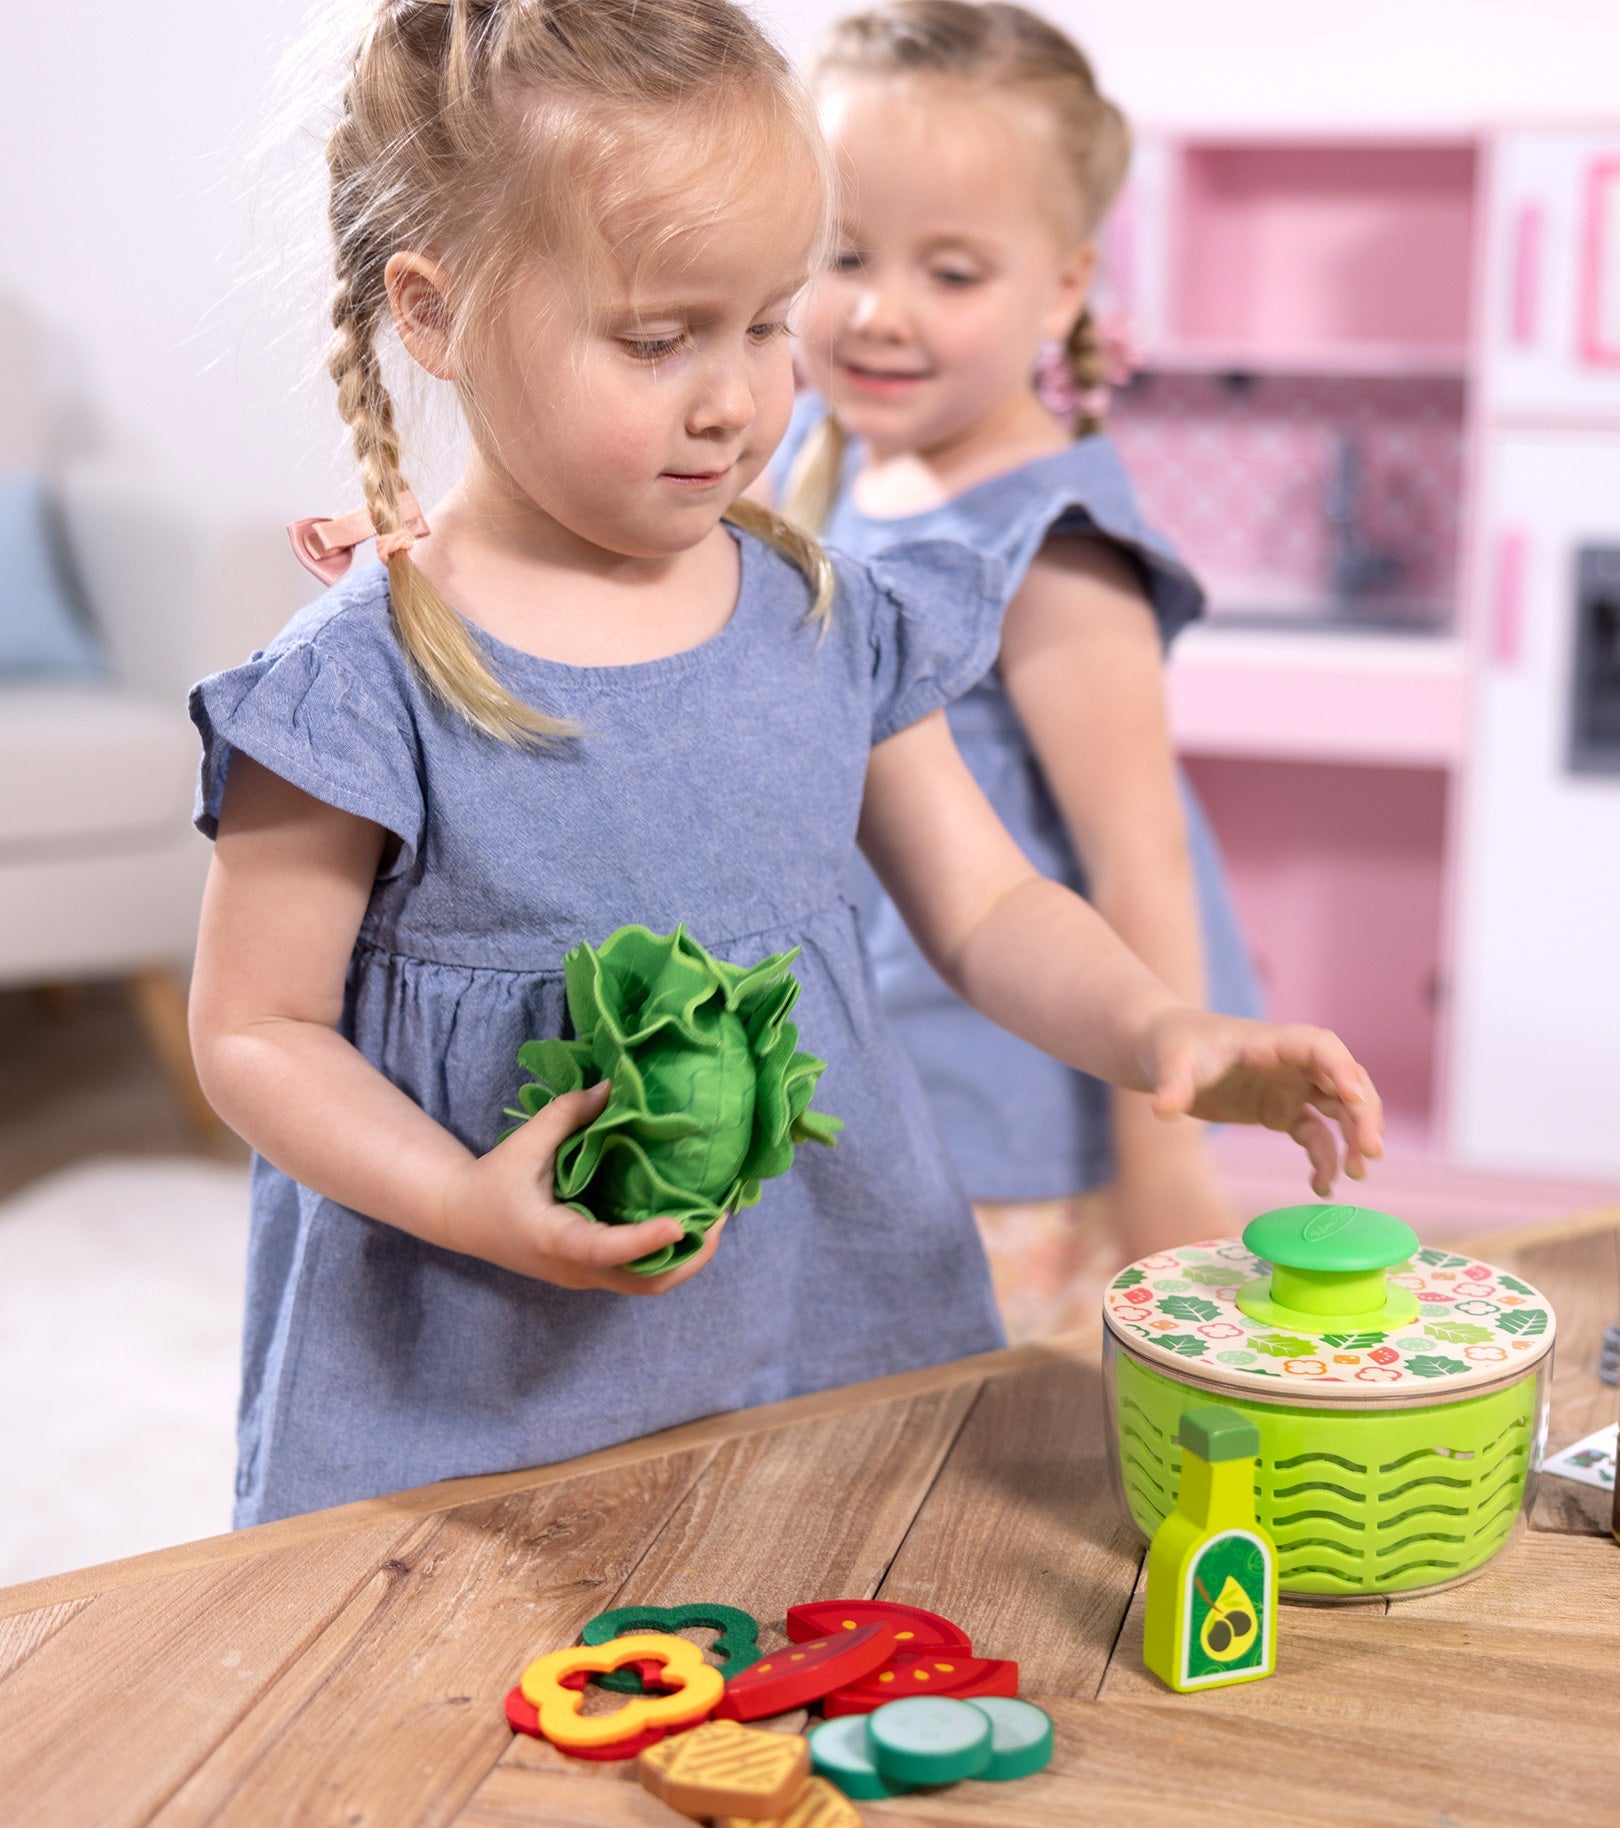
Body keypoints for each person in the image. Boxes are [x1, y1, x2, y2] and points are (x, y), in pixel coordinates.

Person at [187, 0, 1381, 1525]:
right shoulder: (357, 686)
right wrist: (456, 1199)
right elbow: (256, 1034)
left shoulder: (830, 612)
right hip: (469, 1393)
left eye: (765, 322)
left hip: (814, 1338)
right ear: (433, 314)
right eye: (657, 337)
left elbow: (989, 908)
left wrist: (1162, 1029)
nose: (735, 398)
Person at [777, 1, 1261, 1342]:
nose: (880, 312)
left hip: (1009, 1122)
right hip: (871, 1065)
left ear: (1061, 286)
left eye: (953, 272)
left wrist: (1167, 1156)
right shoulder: (821, 454)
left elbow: (1143, 861)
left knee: (985, 1444)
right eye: (843, 254)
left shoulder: (1050, 551)